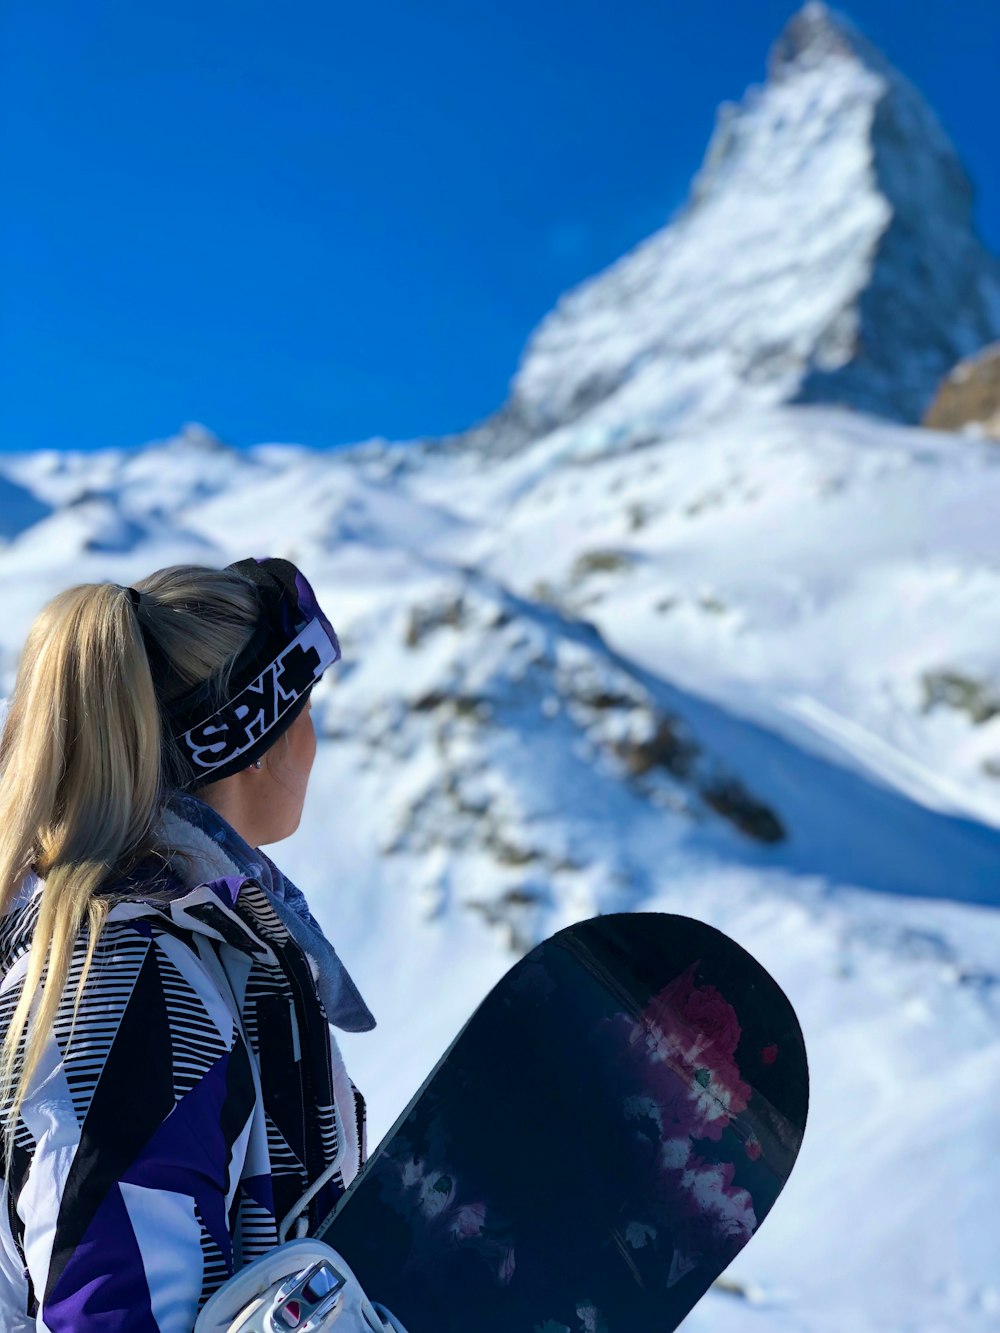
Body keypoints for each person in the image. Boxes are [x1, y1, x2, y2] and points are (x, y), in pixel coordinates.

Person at [0, 557, 382, 1331]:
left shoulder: (144, 943)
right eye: (306, 709)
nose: (315, 741)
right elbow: (112, 1316)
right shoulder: (129, 978)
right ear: (259, 739)